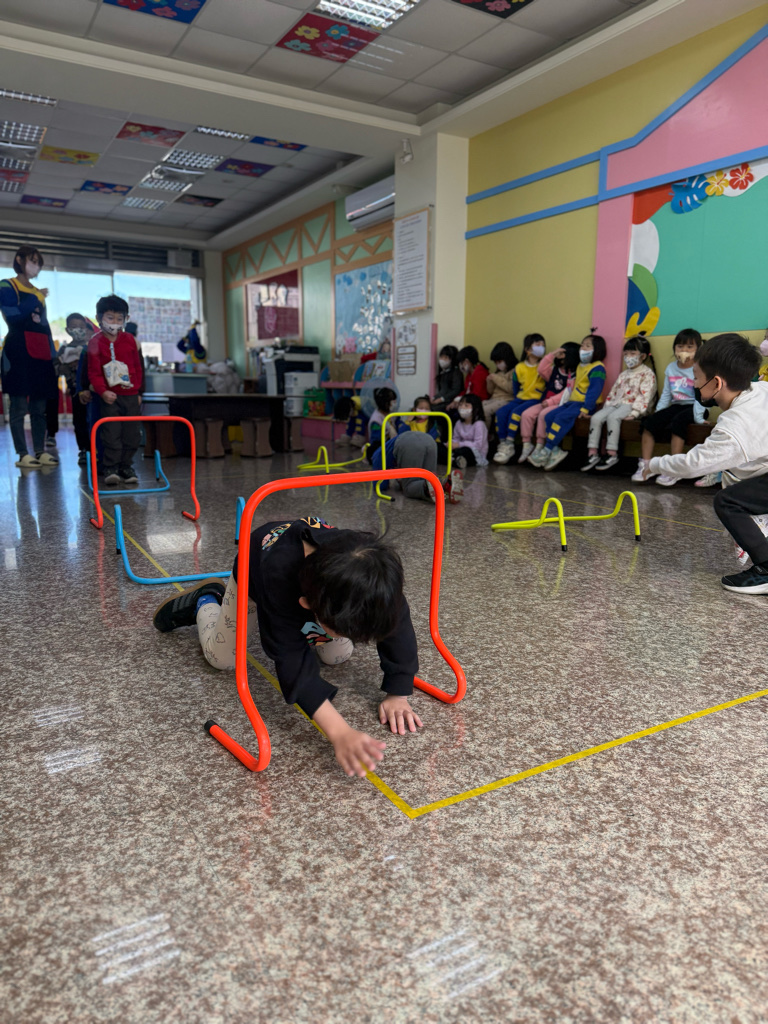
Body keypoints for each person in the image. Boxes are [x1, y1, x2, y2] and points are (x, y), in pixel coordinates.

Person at [152, 519, 423, 776]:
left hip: (315, 584)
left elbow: (398, 624)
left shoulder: (372, 569)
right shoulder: (277, 580)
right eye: (339, 629)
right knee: (222, 658)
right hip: (255, 573)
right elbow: (291, 660)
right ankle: (207, 600)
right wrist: (340, 732)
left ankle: (329, 629)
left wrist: (398, 691)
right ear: (307, 606)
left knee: (339, 654)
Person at [643, 334, 768, 594]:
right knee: (743, 485)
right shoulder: (761, 390)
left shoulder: (734, 427)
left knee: (728, 501)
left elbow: (693, 465)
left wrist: (654, 464)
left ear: (717, 383)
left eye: (697, 377)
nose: (694, 384)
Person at [0, 244, 59, 468]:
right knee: (18, 406)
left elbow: (44, 325)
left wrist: (52, 354)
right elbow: (12, 316)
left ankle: (40, 451)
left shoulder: (37, 293)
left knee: (39, 407)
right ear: (19, 260)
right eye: (33, 261)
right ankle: (22, 453)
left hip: (40, 352)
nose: (36, 267)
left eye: (39, 263)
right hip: (17, 350)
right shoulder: (7, 285)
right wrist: (35, 298)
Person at [631, 328, 706, 485]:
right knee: (649, 422)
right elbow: (666, 394)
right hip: (677, 405)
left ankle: (674, 468)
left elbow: (703, 395)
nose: (684, 350)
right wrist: (659, 415)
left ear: (698, 349)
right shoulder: (671, 368)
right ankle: (646, 465)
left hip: (697, 406)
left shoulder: (700, 368)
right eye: (680, 346)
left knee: (678, 422)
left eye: (690, 347)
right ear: (674, 348)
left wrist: (699, 417)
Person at [87, 294, 143, 486]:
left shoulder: (130, 340)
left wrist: (138, 391)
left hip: (131, 395)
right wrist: (103, 391)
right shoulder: (95, 342)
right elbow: (94, 372)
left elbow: (137, 367)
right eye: (110, 318)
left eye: (120, 319)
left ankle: (126, 466)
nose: (115, 323)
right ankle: (111, 467)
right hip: (110, 397)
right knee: (111, 433)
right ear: (99, 318)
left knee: (132, 434)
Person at [581, 335, 657, 472]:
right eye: (626, 354)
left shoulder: (647, 374)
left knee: (613, 417)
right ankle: (592, 453)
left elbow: (645, 396)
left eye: (632, 353)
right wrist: (606, 409)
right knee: (596, 418)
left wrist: (635, 413)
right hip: (616, 405)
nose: (628, 357)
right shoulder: (623, 374)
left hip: (631, 406)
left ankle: (612, 454)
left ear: (643, 356)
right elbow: (613, 393)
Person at [537, 333, 607, 471]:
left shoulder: (598, 368)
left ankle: (547, 449)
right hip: (572, 402)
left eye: (588, 346)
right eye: (582, 345)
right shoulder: (581, 366)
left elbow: (594, 391)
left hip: (584, 405)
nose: (583, 348)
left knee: (560, 418)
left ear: (597, 350)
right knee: (549, 416)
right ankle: (555, 450)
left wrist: (586, 408)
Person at [524, 342, 581, 466]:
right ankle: (533, 446)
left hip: (559, 404)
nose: (561, 357)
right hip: (546, 401)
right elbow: (541, 369)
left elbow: (567, 392)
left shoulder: (575, 374)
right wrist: (552, 354)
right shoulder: (555, 370)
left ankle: (542, 446)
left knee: (544, 414)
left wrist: (550, 402)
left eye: (563, 354)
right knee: (527, 414)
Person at [493, 333, 547, 464]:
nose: (541, 347)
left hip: (535, 399)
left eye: (543, 345)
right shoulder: (519, 367)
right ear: (527, 349)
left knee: (516, 413)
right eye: (537, 344)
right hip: (520, 398)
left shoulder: (544, 366)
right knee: (500, 412)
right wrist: (518, 398)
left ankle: (510, 443)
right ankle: (503, 443)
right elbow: (516, 386)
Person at [57, 313, 95, 465]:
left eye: (81, 327)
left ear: (86, 328)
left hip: (93, 390)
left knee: (93, 419)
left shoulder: (92, 346)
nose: (78, 330)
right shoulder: (64, 349)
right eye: (74, 327)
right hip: (75, 390)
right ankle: (84, 450)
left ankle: (96, 448)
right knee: (79, 420)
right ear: (67, 330)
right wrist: (68, 366)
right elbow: (57, 369)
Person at [439, 393, 488, 469]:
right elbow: (456, 438)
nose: (462, 407)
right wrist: (451, 443)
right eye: (460, 405)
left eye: (466, 405)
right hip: (458, 449)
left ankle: (452, 460)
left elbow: (478, 445)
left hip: (475, 454)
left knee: (465, 451)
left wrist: (459, 444)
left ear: (476, 408)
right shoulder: (459, 423)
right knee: (439, 446)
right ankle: (454, 460)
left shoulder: (479, 424)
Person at [482, 341, 518, 426]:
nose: (498, 365)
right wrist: (489, 382)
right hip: (494, 399)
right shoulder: (499, 373)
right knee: (475, 407)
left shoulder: (515, 371)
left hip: (507, 400)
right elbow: (491, 392)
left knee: (484, 410)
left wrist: (496, 378)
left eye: (499, 362)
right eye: (496, 363)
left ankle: (484, 433)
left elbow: (511, 389)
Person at [431, 345, 463, 412]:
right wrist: (434, 398)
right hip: (441, 402)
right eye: (441, 357)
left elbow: (456, 391)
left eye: (446, 357)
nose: (442, 360)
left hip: (450, 403)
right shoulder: (443, 373)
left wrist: (441, 399)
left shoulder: (456, 373)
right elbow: (442, 391)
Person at [366, 386, 398, 453]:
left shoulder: (391, 414)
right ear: (385, 403)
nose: (395, 403)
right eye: (392, 401)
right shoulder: (376, 421)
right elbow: (376, 441)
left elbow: (399, 424)